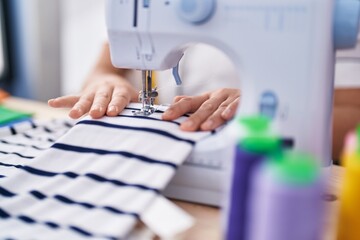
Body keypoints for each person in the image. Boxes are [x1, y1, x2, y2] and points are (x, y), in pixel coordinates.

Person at [48, 43, 241, 132]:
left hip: (235, 132)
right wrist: (105, 81)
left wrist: (251, 101)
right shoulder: (137, 9)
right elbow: (104, 68)